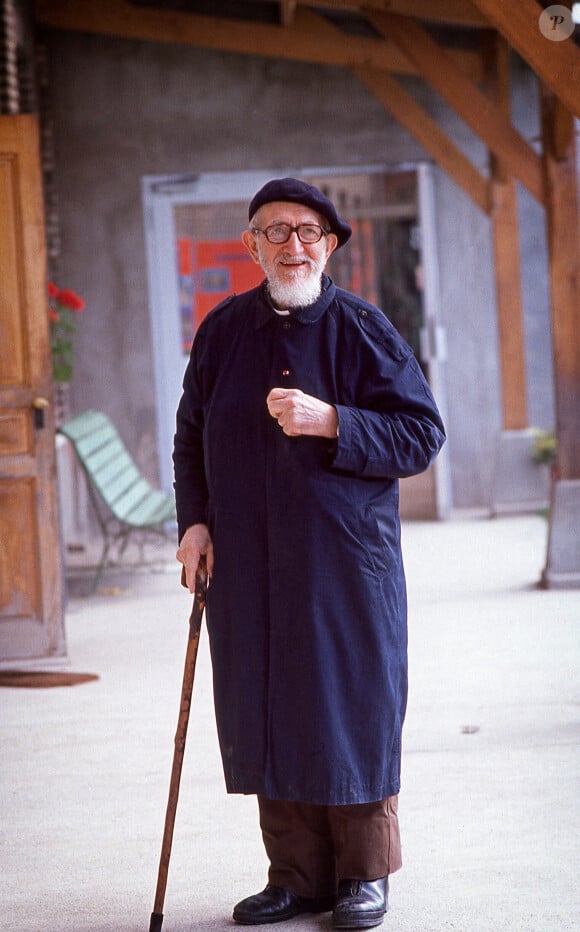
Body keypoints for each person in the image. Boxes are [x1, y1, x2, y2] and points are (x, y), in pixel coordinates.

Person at [173, 177, 446, 929]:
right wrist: (194, 523)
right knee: (270, 704)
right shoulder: (223, 330)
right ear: (251, 245)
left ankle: (363, 876)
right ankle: (295, 875)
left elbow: (422, 435)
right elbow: (191, 434)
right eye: (275, 231)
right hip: (248, 563)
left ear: (328, 245)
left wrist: (333, 422)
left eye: (306, 231)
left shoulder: (362, 328)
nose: (292, 244)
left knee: (348, 705)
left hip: (342, 563)